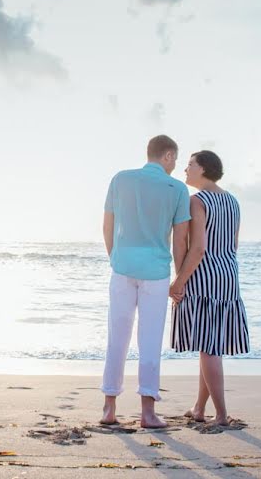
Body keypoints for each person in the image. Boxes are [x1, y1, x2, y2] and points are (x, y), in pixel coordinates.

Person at [100, 135, 191, 428]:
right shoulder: (177, 189)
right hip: (155, 271)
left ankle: (109, 408)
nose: (176, 165)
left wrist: (116, 257)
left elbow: (107, 225)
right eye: (175, 159)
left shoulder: (121, 179)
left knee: (118, 336)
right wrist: (178, 279)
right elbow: (180, 241)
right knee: (149, 340)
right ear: (166, 156)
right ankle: (148, 413)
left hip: (122, 267)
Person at [169, 150, 250, 428]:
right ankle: (199, 408)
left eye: (190, 165)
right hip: (228, 274)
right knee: (210, 343)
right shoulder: (232, 200)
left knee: (208, 347)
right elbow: (234, 244)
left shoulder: (197, 201)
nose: (186, 170)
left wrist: (178, 281)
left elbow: (199, 247)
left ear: (203, 169)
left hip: (204, 276)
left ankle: (221, 415)